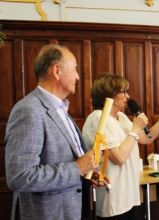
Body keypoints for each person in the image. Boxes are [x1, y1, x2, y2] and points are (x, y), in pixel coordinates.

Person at [5, 44, 100, 220]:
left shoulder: (60, 109)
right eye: (75, 70)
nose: (78, 77)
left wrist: (86, 176)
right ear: (57, 71)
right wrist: (77, 169)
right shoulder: (28, 110)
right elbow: (19, 176)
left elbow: (69, 160)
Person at [82, 74, 159, 220]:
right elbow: (120, 158)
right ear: (109, 95)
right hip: (114, 202)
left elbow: (146, 138)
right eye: (123, 92)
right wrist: (135, 129)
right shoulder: (98, 118)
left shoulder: (120, 117)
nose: (127, 96)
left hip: (130, 196)